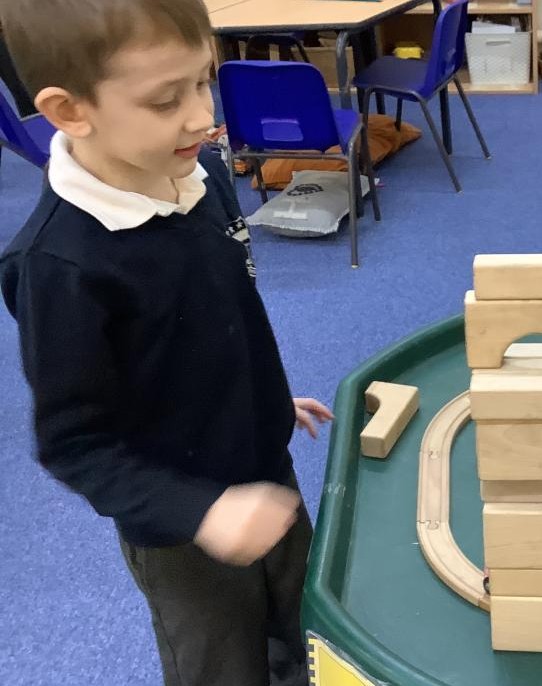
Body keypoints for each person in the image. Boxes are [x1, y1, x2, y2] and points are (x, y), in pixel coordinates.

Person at [0, 1, 332, 683]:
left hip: (265, 462)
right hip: (181, 528)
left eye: (203, 81)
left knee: (306, 635)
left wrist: (263, 399)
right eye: (164, 99)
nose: (201, 116)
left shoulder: (200, 174)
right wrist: (202, 512)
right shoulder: (59, 265)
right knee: (222, 666)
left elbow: (221, 319)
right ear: (69, 111)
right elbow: (75, 445)